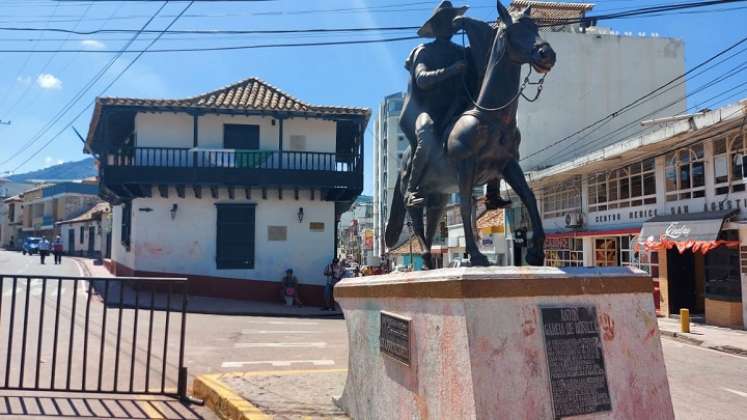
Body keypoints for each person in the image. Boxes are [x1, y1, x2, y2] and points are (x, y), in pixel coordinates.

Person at [400, 1, 469, 208]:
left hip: (457, 109)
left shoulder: (463, 52)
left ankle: (492, 189)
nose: (449, 25)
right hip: (429, 110)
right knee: (427, 135)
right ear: (436, 27)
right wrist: (451, 70)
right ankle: (412, 190)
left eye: (451, 21)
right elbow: (421, 79)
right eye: (444, 21)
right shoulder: (424, 51)